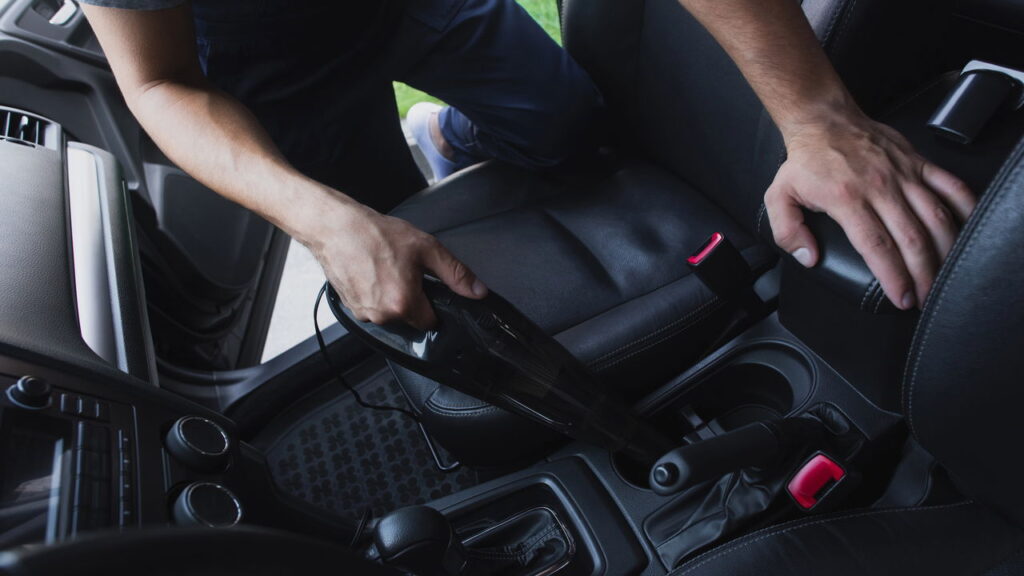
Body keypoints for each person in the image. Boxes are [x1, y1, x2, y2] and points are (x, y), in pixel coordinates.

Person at [80, 0, 975, 334]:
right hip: (271, 68)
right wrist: (324, 220)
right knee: (400, 234)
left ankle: (449, 136)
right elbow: (157, 81)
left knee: (569, 124)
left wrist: (816, 116)